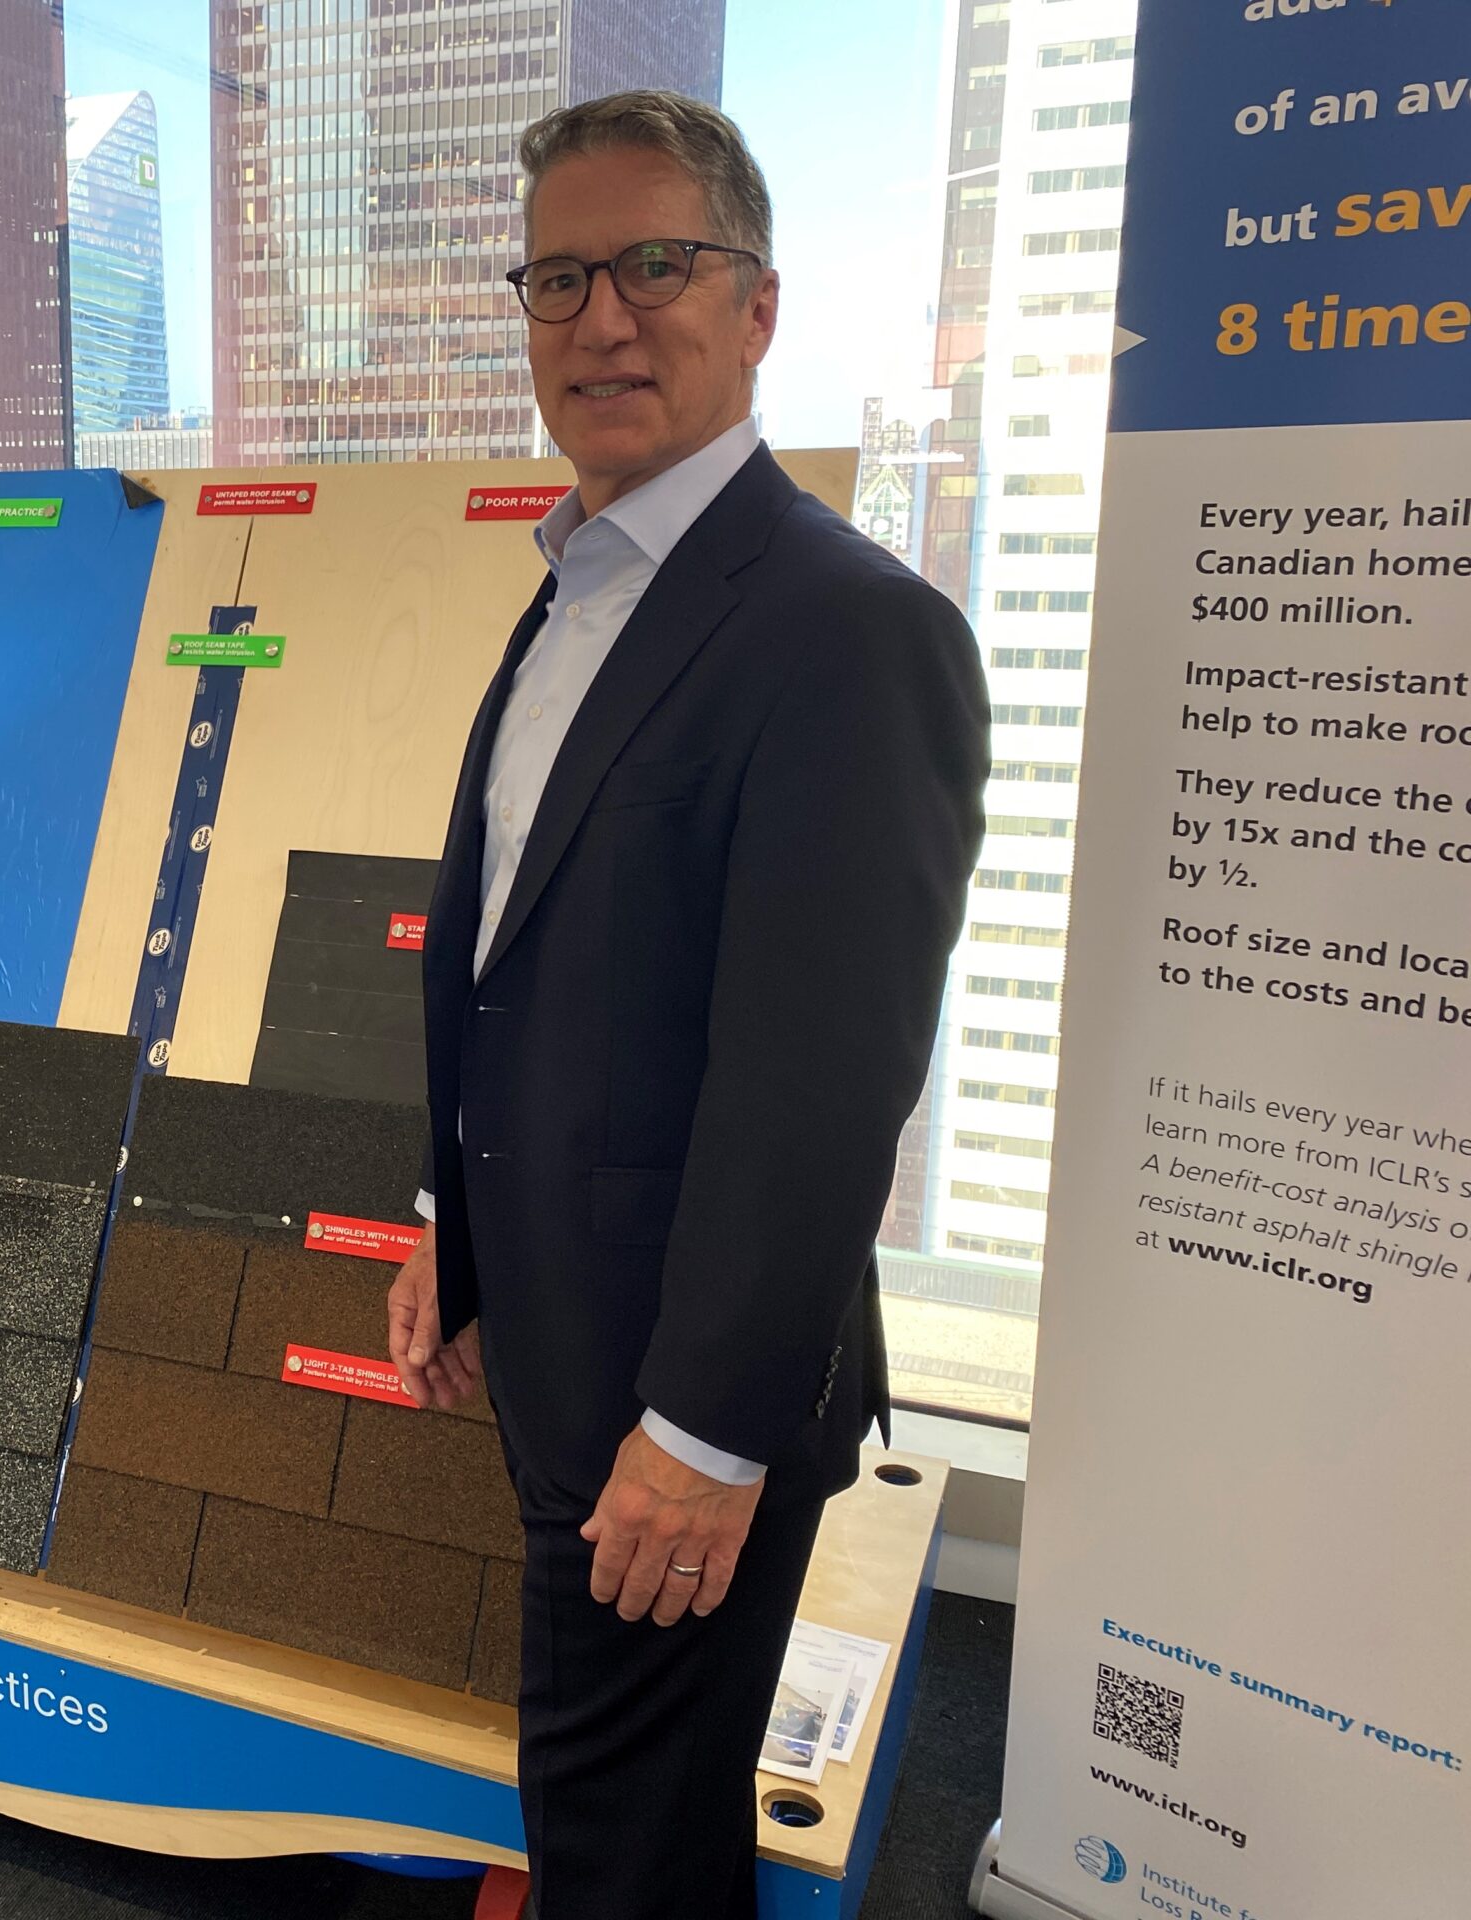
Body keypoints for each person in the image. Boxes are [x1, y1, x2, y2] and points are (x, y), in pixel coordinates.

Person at [385, 93, 987, 1919]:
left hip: (680, 1396)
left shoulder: (844, 629)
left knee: (628, 1844)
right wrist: (453, 1230)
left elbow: (823, 1081)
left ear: (760, 307)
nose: (603, 318)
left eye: (658, 264)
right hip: (567, 1337)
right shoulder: (580, 583)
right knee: (612, 1811)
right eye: (559, 277)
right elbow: (520, 959)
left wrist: (705, 1435)